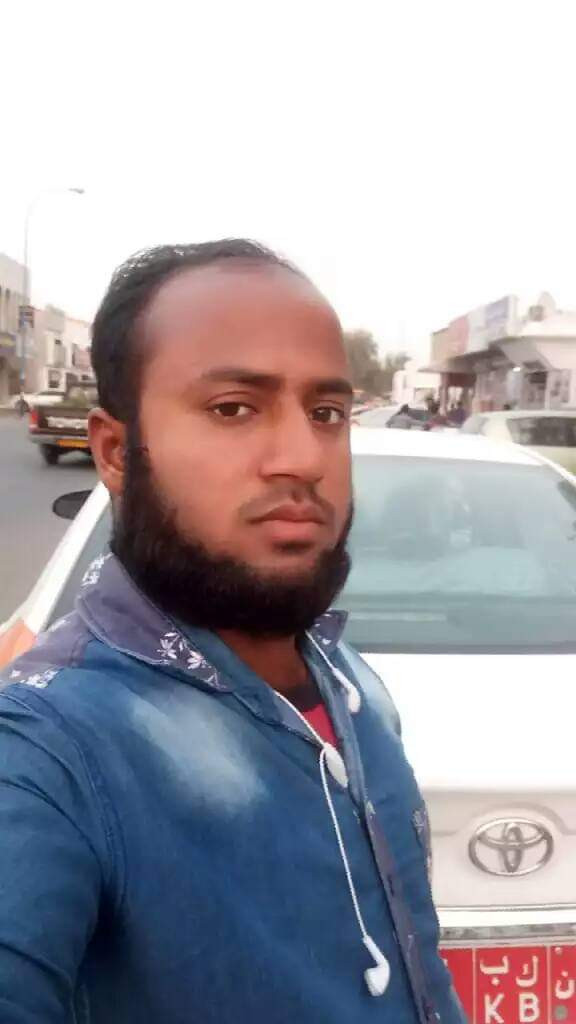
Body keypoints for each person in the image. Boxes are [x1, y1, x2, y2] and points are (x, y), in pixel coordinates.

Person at [0, 241, 464, 1024]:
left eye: (326, 413)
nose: (302, 458)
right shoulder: (48, 749)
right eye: (233, 409)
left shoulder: (351, 685)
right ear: (115, 451)